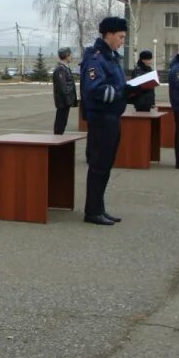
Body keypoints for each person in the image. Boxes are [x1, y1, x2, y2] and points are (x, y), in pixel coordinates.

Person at [80, 16, 143, 226]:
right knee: (98, 166)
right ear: (108, 34)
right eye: (120, 36)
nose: (122, 41)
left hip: (112, 117)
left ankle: (99, 208)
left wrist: (132, 91)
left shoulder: (112, 58)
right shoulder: (96, 59)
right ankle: (92, 211)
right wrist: (121, 92)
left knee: (106, 165)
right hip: (101, 119)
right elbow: (95, 90)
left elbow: (116, 87)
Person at [52, 47, 77, 135]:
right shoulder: (61, 69)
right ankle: (57, 140)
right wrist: (68, 100)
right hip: (63, 102)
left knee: (63, 122)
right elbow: (62, 88)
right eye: (70, 55)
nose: (71, 57)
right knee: (60, 123)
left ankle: (58, 138)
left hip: (65, 101)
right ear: (66, 56)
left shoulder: (64, 67)